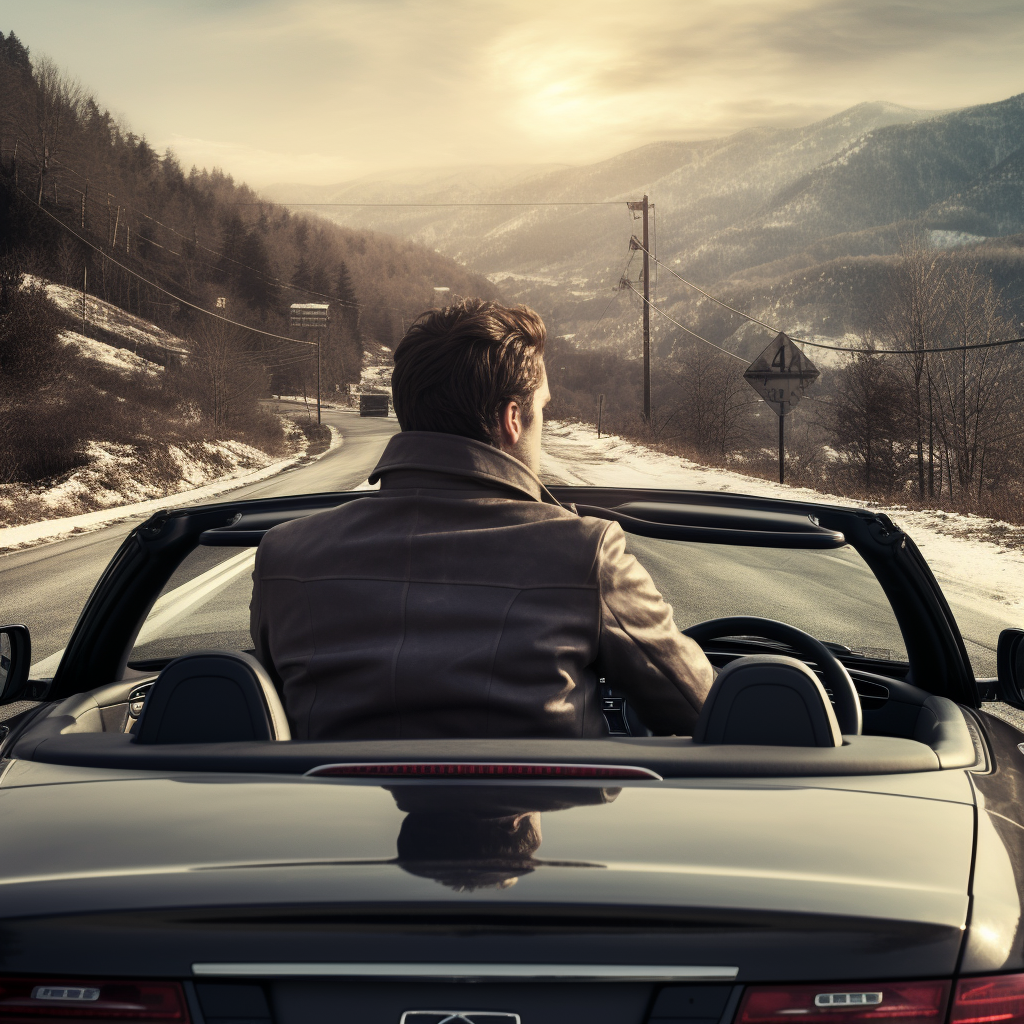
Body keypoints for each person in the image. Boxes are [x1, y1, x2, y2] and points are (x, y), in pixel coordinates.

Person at [250, 298, 713, 741]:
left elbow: (266, 712)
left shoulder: (285, 554)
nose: (542, 428)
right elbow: (704, 710)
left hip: (339, 824)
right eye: (543, 411)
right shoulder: (586, 553)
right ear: (513, 419)